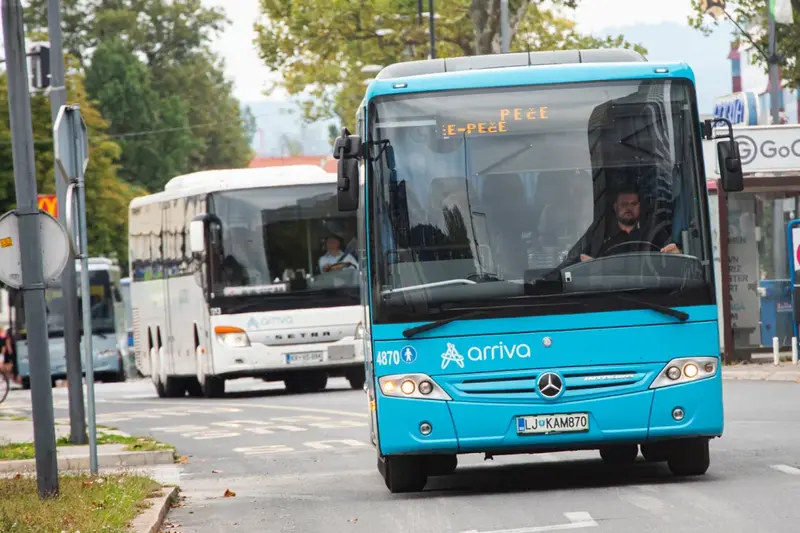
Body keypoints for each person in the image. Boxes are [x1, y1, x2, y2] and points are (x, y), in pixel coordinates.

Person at [580, 188, 680, 262]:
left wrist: (676, 253)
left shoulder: (656, 232)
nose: (629, 208)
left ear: (639, 206)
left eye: (633, 204)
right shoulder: (601, 237)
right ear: (615, 207)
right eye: (624, 204)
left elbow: (673, 255)